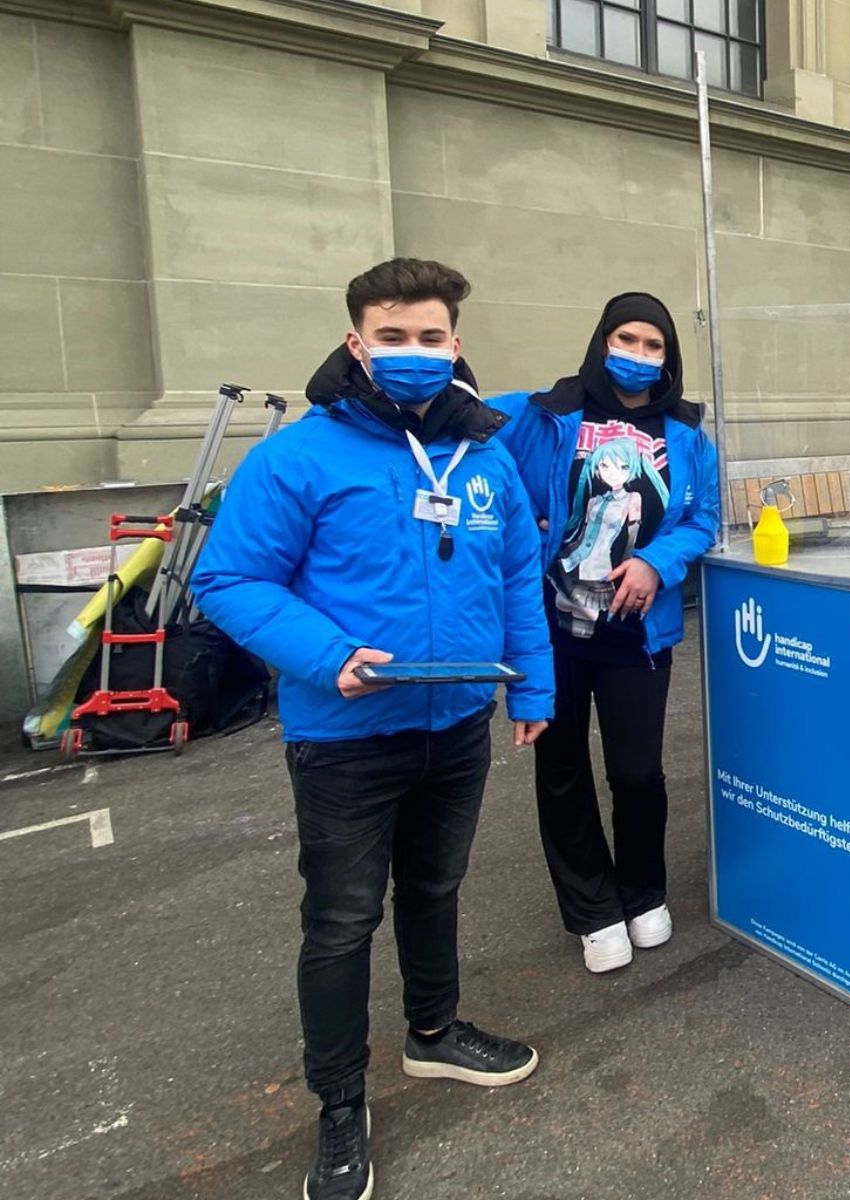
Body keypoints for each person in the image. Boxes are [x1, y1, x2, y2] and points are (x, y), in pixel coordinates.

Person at [191, 258, 553, 1200]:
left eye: (431, 337)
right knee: (343, 920)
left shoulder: (489, 455)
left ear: (457, 345)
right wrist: (325, 653)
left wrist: (534, 692)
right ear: (357, 343)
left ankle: (433, 1035)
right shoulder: (298, 457)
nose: (414, 353)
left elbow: (518, 576)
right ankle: (341, 1103)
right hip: (347, 735)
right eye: (393, 338)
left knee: (435, 887)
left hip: (458, 719)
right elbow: (228, 581)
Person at [488, 293, 722, 974]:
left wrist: (657, 562)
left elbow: (702, 519)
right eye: (627, 338)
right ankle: (592, 908)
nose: (640, 355)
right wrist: (514, 520)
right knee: (561, 771)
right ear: (601, 340)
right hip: (553, 628)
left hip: (636, 634)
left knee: (638, 771)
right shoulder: (548, 411)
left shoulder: (686, 433)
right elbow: (463, 427)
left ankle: (644, 889)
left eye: (655, 346)